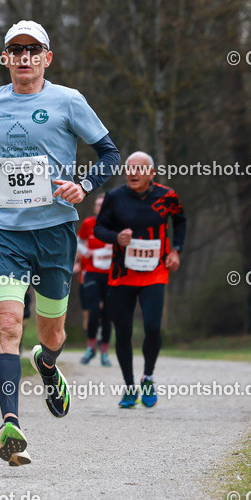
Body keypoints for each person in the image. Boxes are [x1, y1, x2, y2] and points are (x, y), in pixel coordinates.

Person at [0, 20, 119, 466]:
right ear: (6, 57)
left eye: (34, 50)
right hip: (4, 232)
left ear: (47, 58)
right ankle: (10, 424)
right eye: (16, 50)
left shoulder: (68, 101)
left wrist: (83, 185)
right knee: (8, 325)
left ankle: (47, 365)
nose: (24, 57)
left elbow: (110, 153)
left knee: (52, 332)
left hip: (54, 231)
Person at [94, 151, 186, 408]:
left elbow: (180, 220)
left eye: (139, 168)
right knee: (122, 332)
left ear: (151, 173)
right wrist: (116, 238)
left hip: (155, 271)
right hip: (122, 274)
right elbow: (99, 228)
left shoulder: (167, 196)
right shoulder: (114, 197)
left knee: (153, 327)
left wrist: (176, 249)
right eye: (129, 168)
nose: (132, 173)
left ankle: (148, 376)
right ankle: (129, 386)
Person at [76, 195, 113, 366]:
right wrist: (86, 252)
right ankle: (91, 348)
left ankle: (104, 352)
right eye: (98, 204)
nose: (101, 207)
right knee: (93, 311)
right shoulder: (89, 223)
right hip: (91, 272)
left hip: (111, 273)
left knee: (107, 314)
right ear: (95, 207)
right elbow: (78, 241)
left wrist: (113, 246)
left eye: (104, 204)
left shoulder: (116, 223)